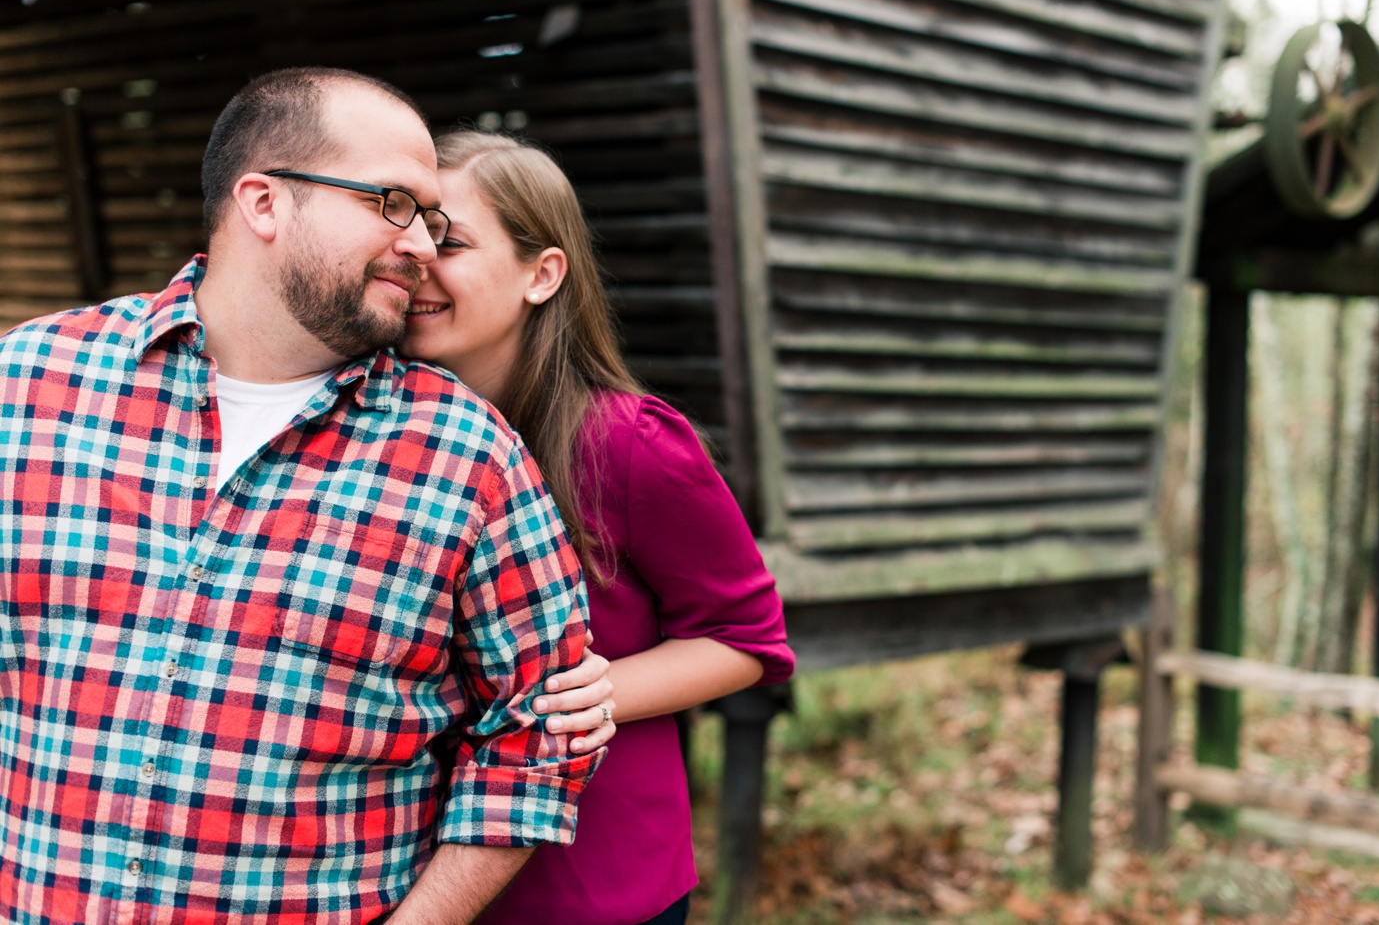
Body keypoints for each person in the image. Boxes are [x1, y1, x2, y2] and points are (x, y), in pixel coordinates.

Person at [0, 68, 611, 924]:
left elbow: (537, 735)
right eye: (394, 204)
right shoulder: (28, 384)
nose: (426, 246)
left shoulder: (468, 457)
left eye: (433, 220)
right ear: (263, 203)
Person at [399, 130, 796, 925]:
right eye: (407, 227)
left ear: (542, 274)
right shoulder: (376, 434)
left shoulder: (628, 443)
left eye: (448, 238)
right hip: (409, 877)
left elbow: (750, 641)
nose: (416, 259)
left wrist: (603, 689)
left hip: (592, 885)